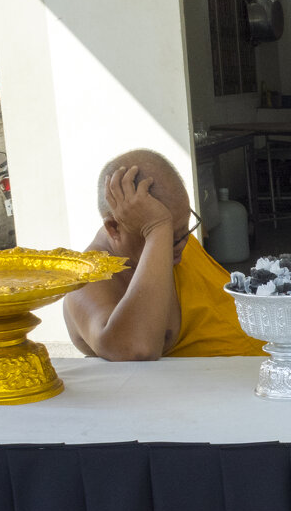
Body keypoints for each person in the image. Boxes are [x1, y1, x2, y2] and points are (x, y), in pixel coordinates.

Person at [64, 148, 266, 360]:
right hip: (207, 389)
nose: (183, 245)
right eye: (168, 238)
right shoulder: (86, 281)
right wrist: (157, 229)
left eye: (184, 230)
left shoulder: (179, 240)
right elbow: (135, 349)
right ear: (114, 228)